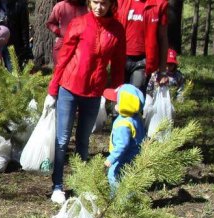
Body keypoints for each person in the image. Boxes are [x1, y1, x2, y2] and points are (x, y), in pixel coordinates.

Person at [45, 0, 125, 205]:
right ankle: (57, 186)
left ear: (111, 5)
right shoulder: (79, 24)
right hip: (69, 88)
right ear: (90, 2)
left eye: (104, 3)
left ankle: (83, 184)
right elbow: (64, 58)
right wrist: (53, 90)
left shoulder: (116, 30)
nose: (99, 7)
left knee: (83, 141)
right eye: (96, 2)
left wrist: (117, 95)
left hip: (93, 92)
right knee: (62, 140)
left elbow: (117, 65)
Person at [116, 0, 170, 93]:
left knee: (135, 99)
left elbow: (163, 38)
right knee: (117, 99)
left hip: (143, 62)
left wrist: (162, 71)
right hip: (120, 58)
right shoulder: (119, 2)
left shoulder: (159, 4)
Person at [103, 84, 146, 192]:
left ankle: (119, 202)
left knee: (113, 176)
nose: (113, 103)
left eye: (116, 101)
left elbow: (122, 145)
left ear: (123, 105)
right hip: (135, 155)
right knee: (128, 179)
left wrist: (111, 158)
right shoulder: (135, 117)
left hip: (122, 158)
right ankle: (129, 198)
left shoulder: (123, 124)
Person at [46, 0, 87, 67]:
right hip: (63, 43)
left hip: (81, 45)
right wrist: (59, 31)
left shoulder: (86, 8)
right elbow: (50, 23)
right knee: (60, 69)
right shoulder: (60, 6)